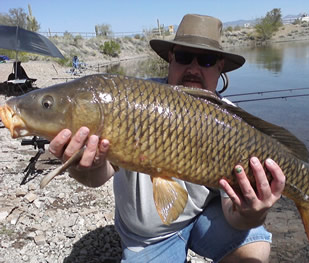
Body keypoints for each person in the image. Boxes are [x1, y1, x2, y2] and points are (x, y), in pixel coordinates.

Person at [49, 14, 286, 263]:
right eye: (184, 57)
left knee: (255, 248)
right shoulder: (129, 102)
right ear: (171, 58)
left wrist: (253, 214)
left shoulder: (231, 122)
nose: (193, 68)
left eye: (206, 60)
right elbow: (99, 175)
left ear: (220, 67)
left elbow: (233, 213)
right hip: (148, 240)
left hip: (205, 218)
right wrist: (83, 167)